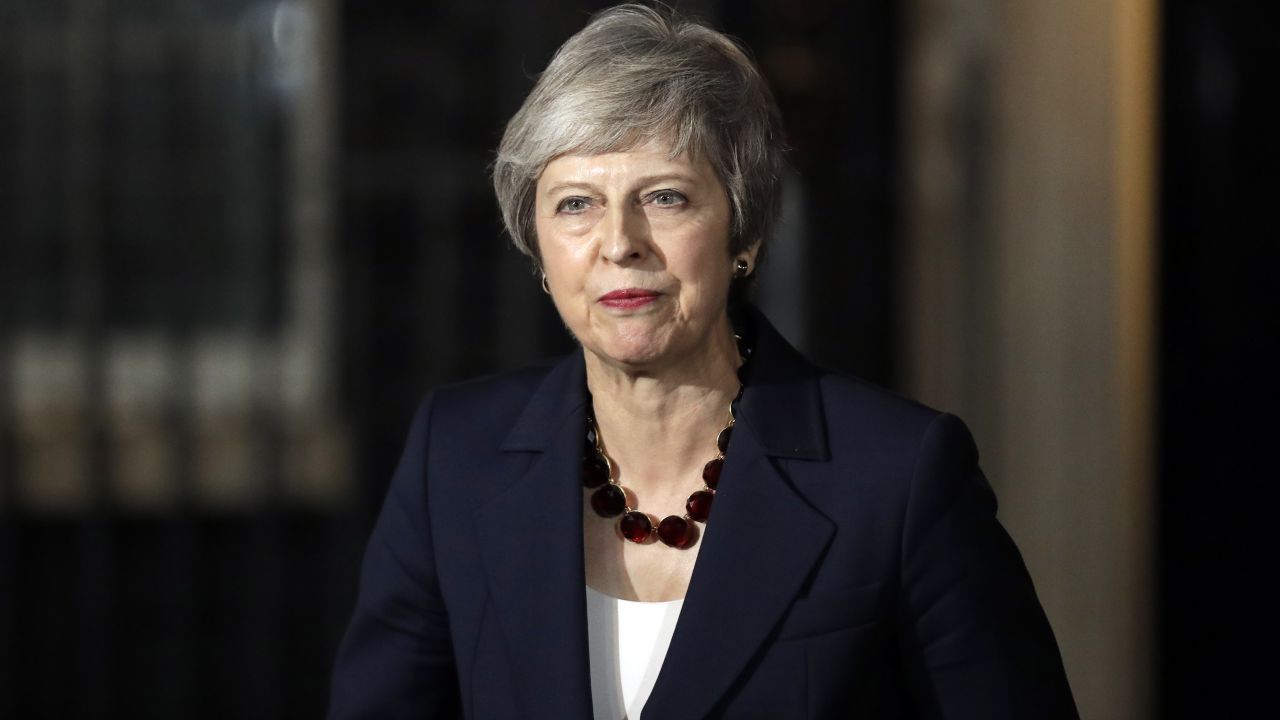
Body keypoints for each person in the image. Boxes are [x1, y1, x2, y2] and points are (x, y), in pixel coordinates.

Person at [328, 4, 1078, 719]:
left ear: (742, 232)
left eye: (664, 197)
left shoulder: (899, 477)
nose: (619, 242)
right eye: (576, 204)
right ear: (538, 246)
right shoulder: (456, 456)